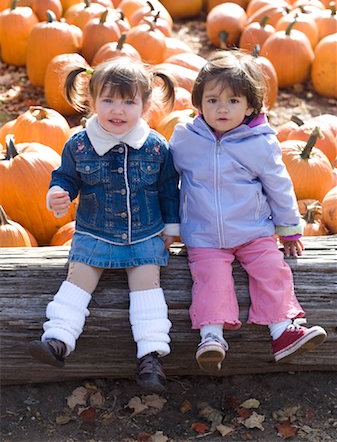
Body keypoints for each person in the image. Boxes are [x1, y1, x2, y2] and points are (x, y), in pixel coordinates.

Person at [169, 49, 327, 372]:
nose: (221, 108)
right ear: (198, 103)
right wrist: (168, 227)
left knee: (272, 270)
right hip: (205, 235)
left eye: (232, 101)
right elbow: (166, 185)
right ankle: (211, 337)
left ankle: (283, 330)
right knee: (210, 278)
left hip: (255, 231)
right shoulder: (185, 140)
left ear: (250, 105)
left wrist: (289, 228)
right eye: (212, 100)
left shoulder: (259, 142)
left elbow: (279, 187)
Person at [29, 58, 180, 392]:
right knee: (77, 280)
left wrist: (171, 225)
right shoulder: (79, 144)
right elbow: (65, 176)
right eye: (108, 100)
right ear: (92, 99)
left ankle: (151, 355)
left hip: (143, 235)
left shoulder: (156, 147)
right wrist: (58, 193)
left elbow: (168, 188)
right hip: (94, 233)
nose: (118, 109)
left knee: (147, 286)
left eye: (129, 101)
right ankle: (58, 339)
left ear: (145, 105)